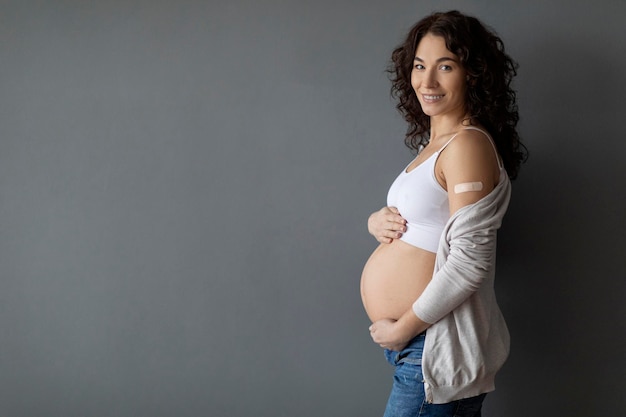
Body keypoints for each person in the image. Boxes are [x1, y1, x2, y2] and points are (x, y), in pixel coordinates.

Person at [359, 10, 526, 416]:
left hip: (429, 344)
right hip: (415, 347)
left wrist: (403, 329)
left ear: (473, 74)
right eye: (420, 66)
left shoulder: (468, 145)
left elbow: (470, 262)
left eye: (445, 66)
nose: (427, 81)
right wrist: (376, 222)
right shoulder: (437, 145)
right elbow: (430, 225)